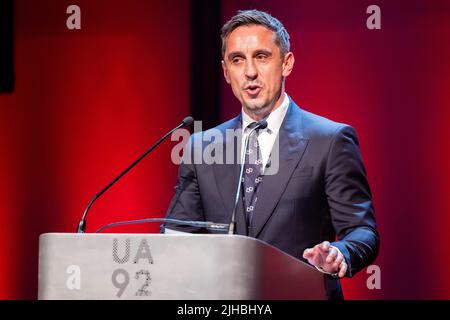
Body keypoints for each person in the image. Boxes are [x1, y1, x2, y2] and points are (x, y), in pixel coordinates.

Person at [163, 9, 379, 299]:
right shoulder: (202, 147)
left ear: (286, 63)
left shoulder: (330, 140)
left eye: (262, 57)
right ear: (226, 72)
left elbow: (363, 232)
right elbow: (177, 237)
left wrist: (339, 254)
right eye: (237, 60)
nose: (250, 71)